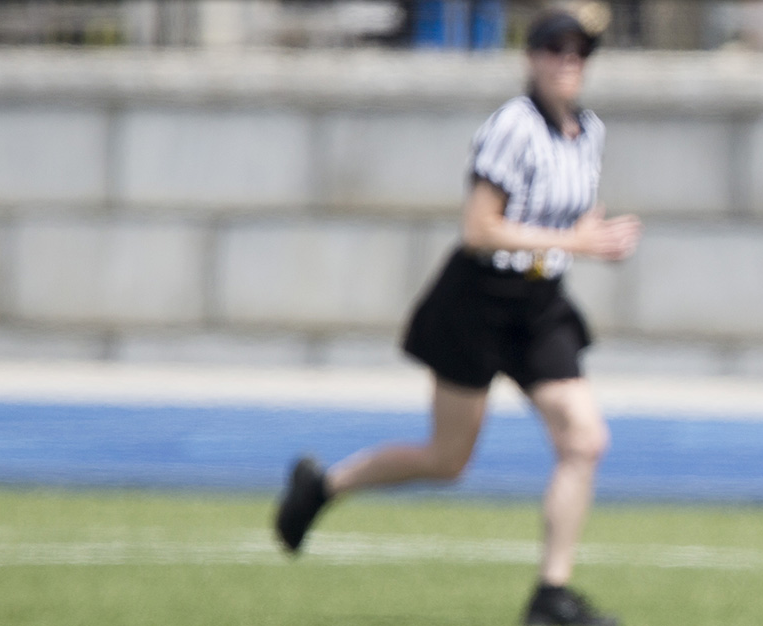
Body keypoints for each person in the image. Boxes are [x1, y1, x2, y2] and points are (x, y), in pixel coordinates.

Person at [274, 10, 640, 626]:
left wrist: (588, 234)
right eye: (555, 49)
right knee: (447, 460)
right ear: (533, 57)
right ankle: (324, 486)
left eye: (580, 52)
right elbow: (480, 229)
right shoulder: (511, 128)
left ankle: (551, 595)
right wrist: (576, 244)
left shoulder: (588, 131)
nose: (567, 62)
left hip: (540, 303)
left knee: (585, 439)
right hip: (480, 302)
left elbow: (560, 219)